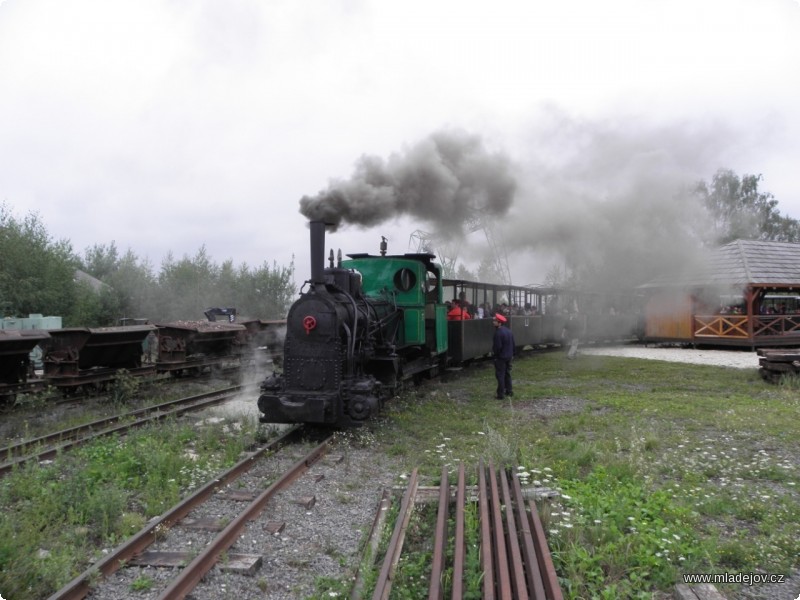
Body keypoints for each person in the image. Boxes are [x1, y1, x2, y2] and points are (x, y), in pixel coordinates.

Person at [492, 313, 515, 399]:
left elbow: (497, 347)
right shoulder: (509, 331)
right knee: (507, 374)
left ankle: (500, 394)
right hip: (508, 356)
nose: (493, 322)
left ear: (500, 323)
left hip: (500, 357)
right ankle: (509, 391)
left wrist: (495, 356)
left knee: (500, 375)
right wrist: (512, 354)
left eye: (495, 321)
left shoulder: (498, 333)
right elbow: (513, 344)